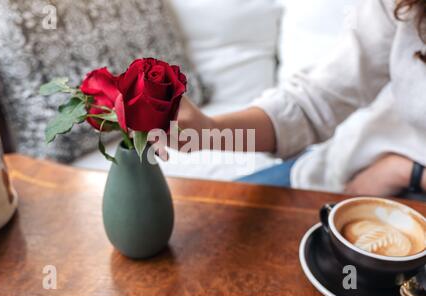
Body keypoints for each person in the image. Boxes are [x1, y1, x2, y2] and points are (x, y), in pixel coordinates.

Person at [176, 0, 426, 200]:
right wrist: (209, 131)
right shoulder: (401, 6)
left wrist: (404, 171)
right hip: (355, 164)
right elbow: (316, 101)